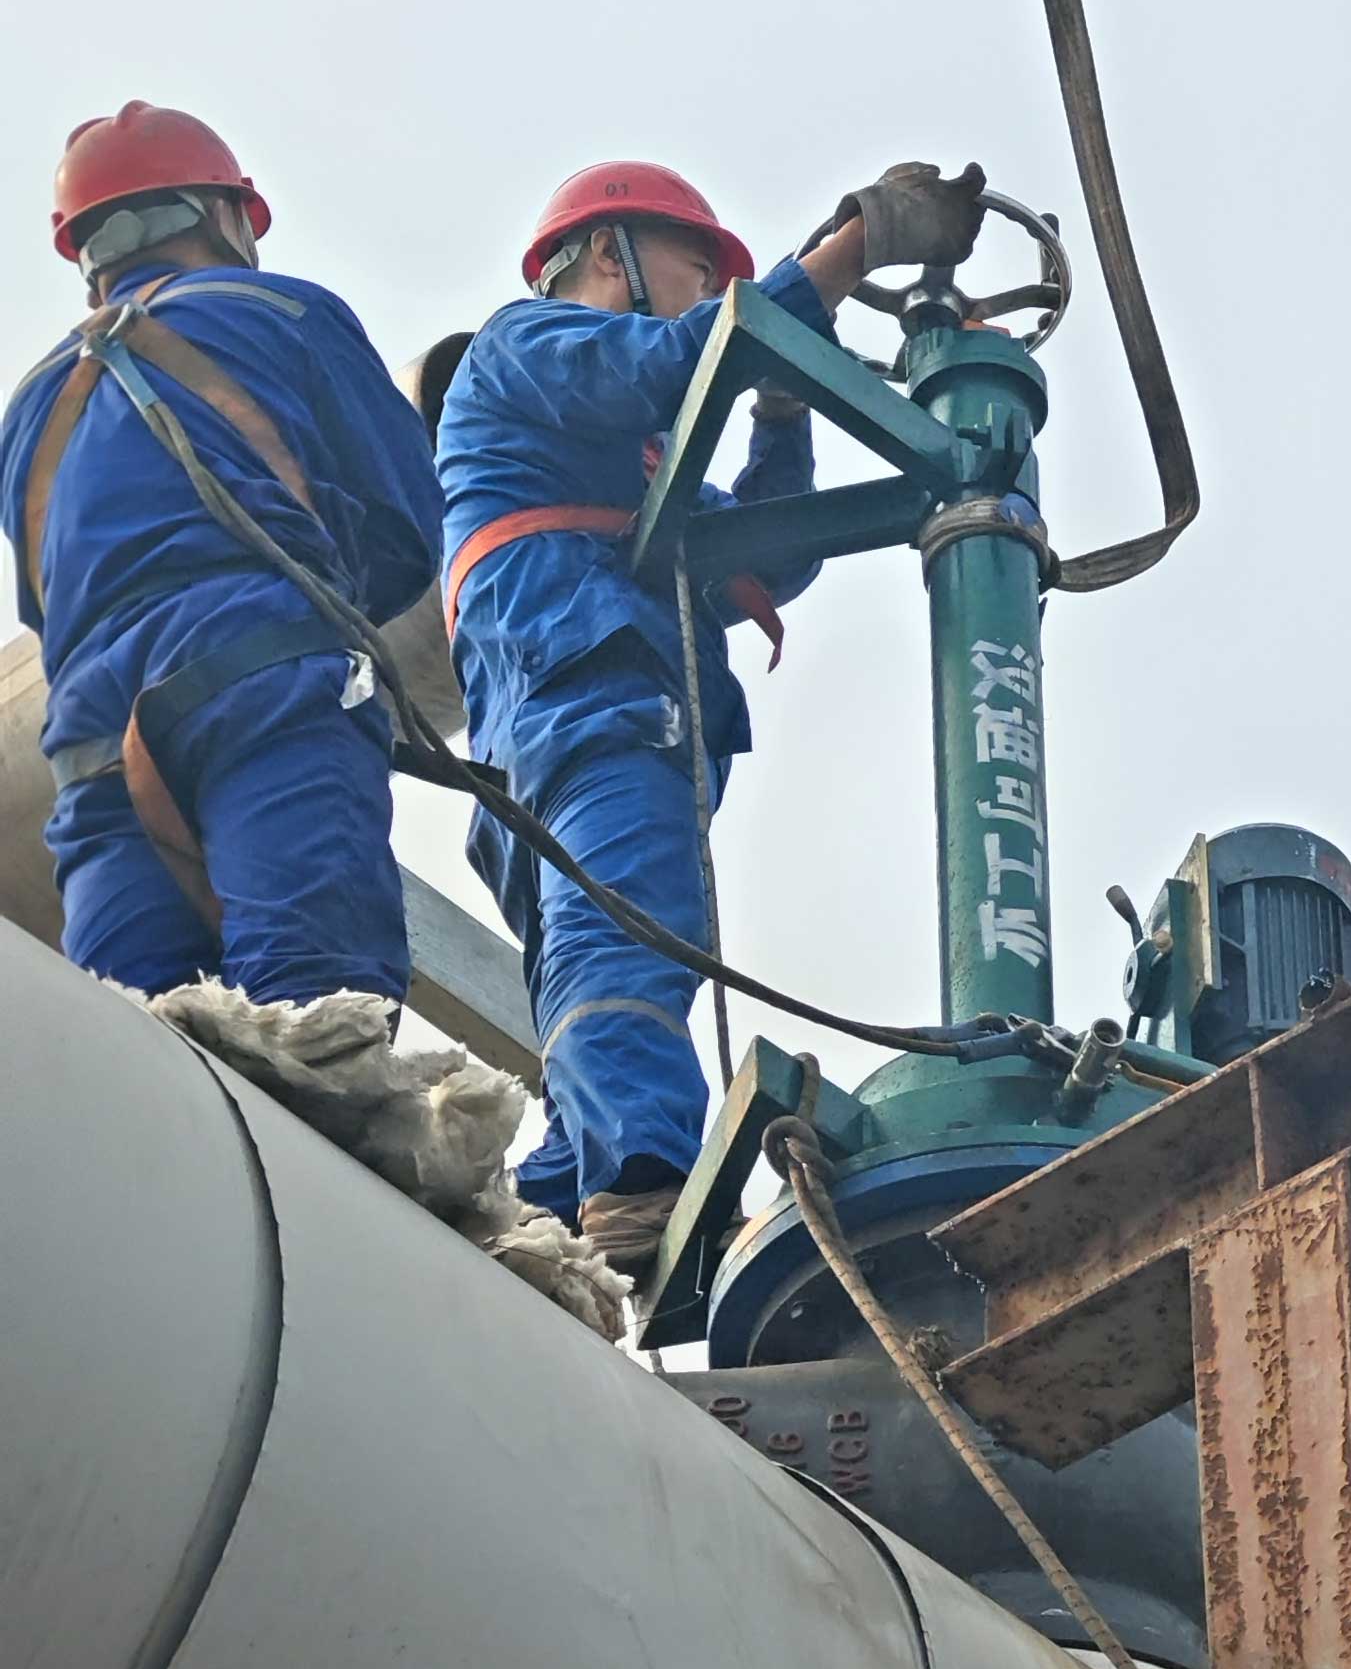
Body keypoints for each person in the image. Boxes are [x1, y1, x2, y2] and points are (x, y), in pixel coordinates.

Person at [437, 156, 986, 1275]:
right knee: (629, 937)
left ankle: (551, 1204)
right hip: (584, 700)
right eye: (698, 268)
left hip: (570, 720)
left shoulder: (632, 460)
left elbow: (774, 557)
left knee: (599, 970)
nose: (706, 292)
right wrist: (850, 252)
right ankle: (642, 1181)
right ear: (607, 255)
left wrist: (782, 407)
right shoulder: (527, 344)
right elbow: (675, 362)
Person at [0, 101, 445, 1008]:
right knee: (319, 1013)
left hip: (90, 744)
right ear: (224, 215)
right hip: (259, 671)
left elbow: (48, 607)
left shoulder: (28, 410)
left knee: (135, 1056)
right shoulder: (283, 310)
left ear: (89, 254)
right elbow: (407, 526)